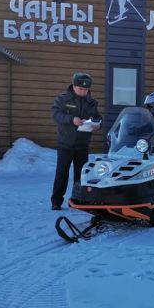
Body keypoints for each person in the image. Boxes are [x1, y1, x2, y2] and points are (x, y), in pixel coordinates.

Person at [50, 72, 101, 210]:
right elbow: (55, 114)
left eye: (86, 89)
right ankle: (56, 201)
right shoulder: (63, 99)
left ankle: (77, 200)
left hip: (82, 145)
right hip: (65, 144)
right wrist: (71, 119)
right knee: (62, 172)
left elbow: (97, 117)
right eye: (80, 89)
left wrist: (97, 125)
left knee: (81, 174)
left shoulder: (92, 102)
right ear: (73, 86)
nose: (83, 91)